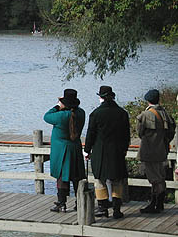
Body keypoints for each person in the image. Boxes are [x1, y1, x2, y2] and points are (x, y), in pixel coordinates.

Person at [84, 86, 130, 219]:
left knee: (100, 179)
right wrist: (124, 149)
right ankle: (116, 209)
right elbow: (126, 134)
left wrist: (87, 150)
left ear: (101, 97)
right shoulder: (122, 113)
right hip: (117, 151)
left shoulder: (96, 114)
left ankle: (103, 208)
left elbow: (90, 134)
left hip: (100, 151)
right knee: (117, 180)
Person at [44, 89, 86, 212]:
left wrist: (57, 106)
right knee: (77, 176)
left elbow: (46, 116)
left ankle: (62, 203)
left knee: (62, 176)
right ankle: (80, 202)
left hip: (62, 150)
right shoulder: (81, 113)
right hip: (75, 148)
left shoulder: (60, 116)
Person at [137, 89, 176, 214]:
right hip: (162, 151)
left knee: (154, 179)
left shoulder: (145, 115)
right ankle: (158, 204)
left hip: (149, 152)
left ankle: (155, 204)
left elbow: (140, 132)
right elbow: (171, 132)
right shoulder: (165, 113)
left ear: (147, 100)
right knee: (160, 177)